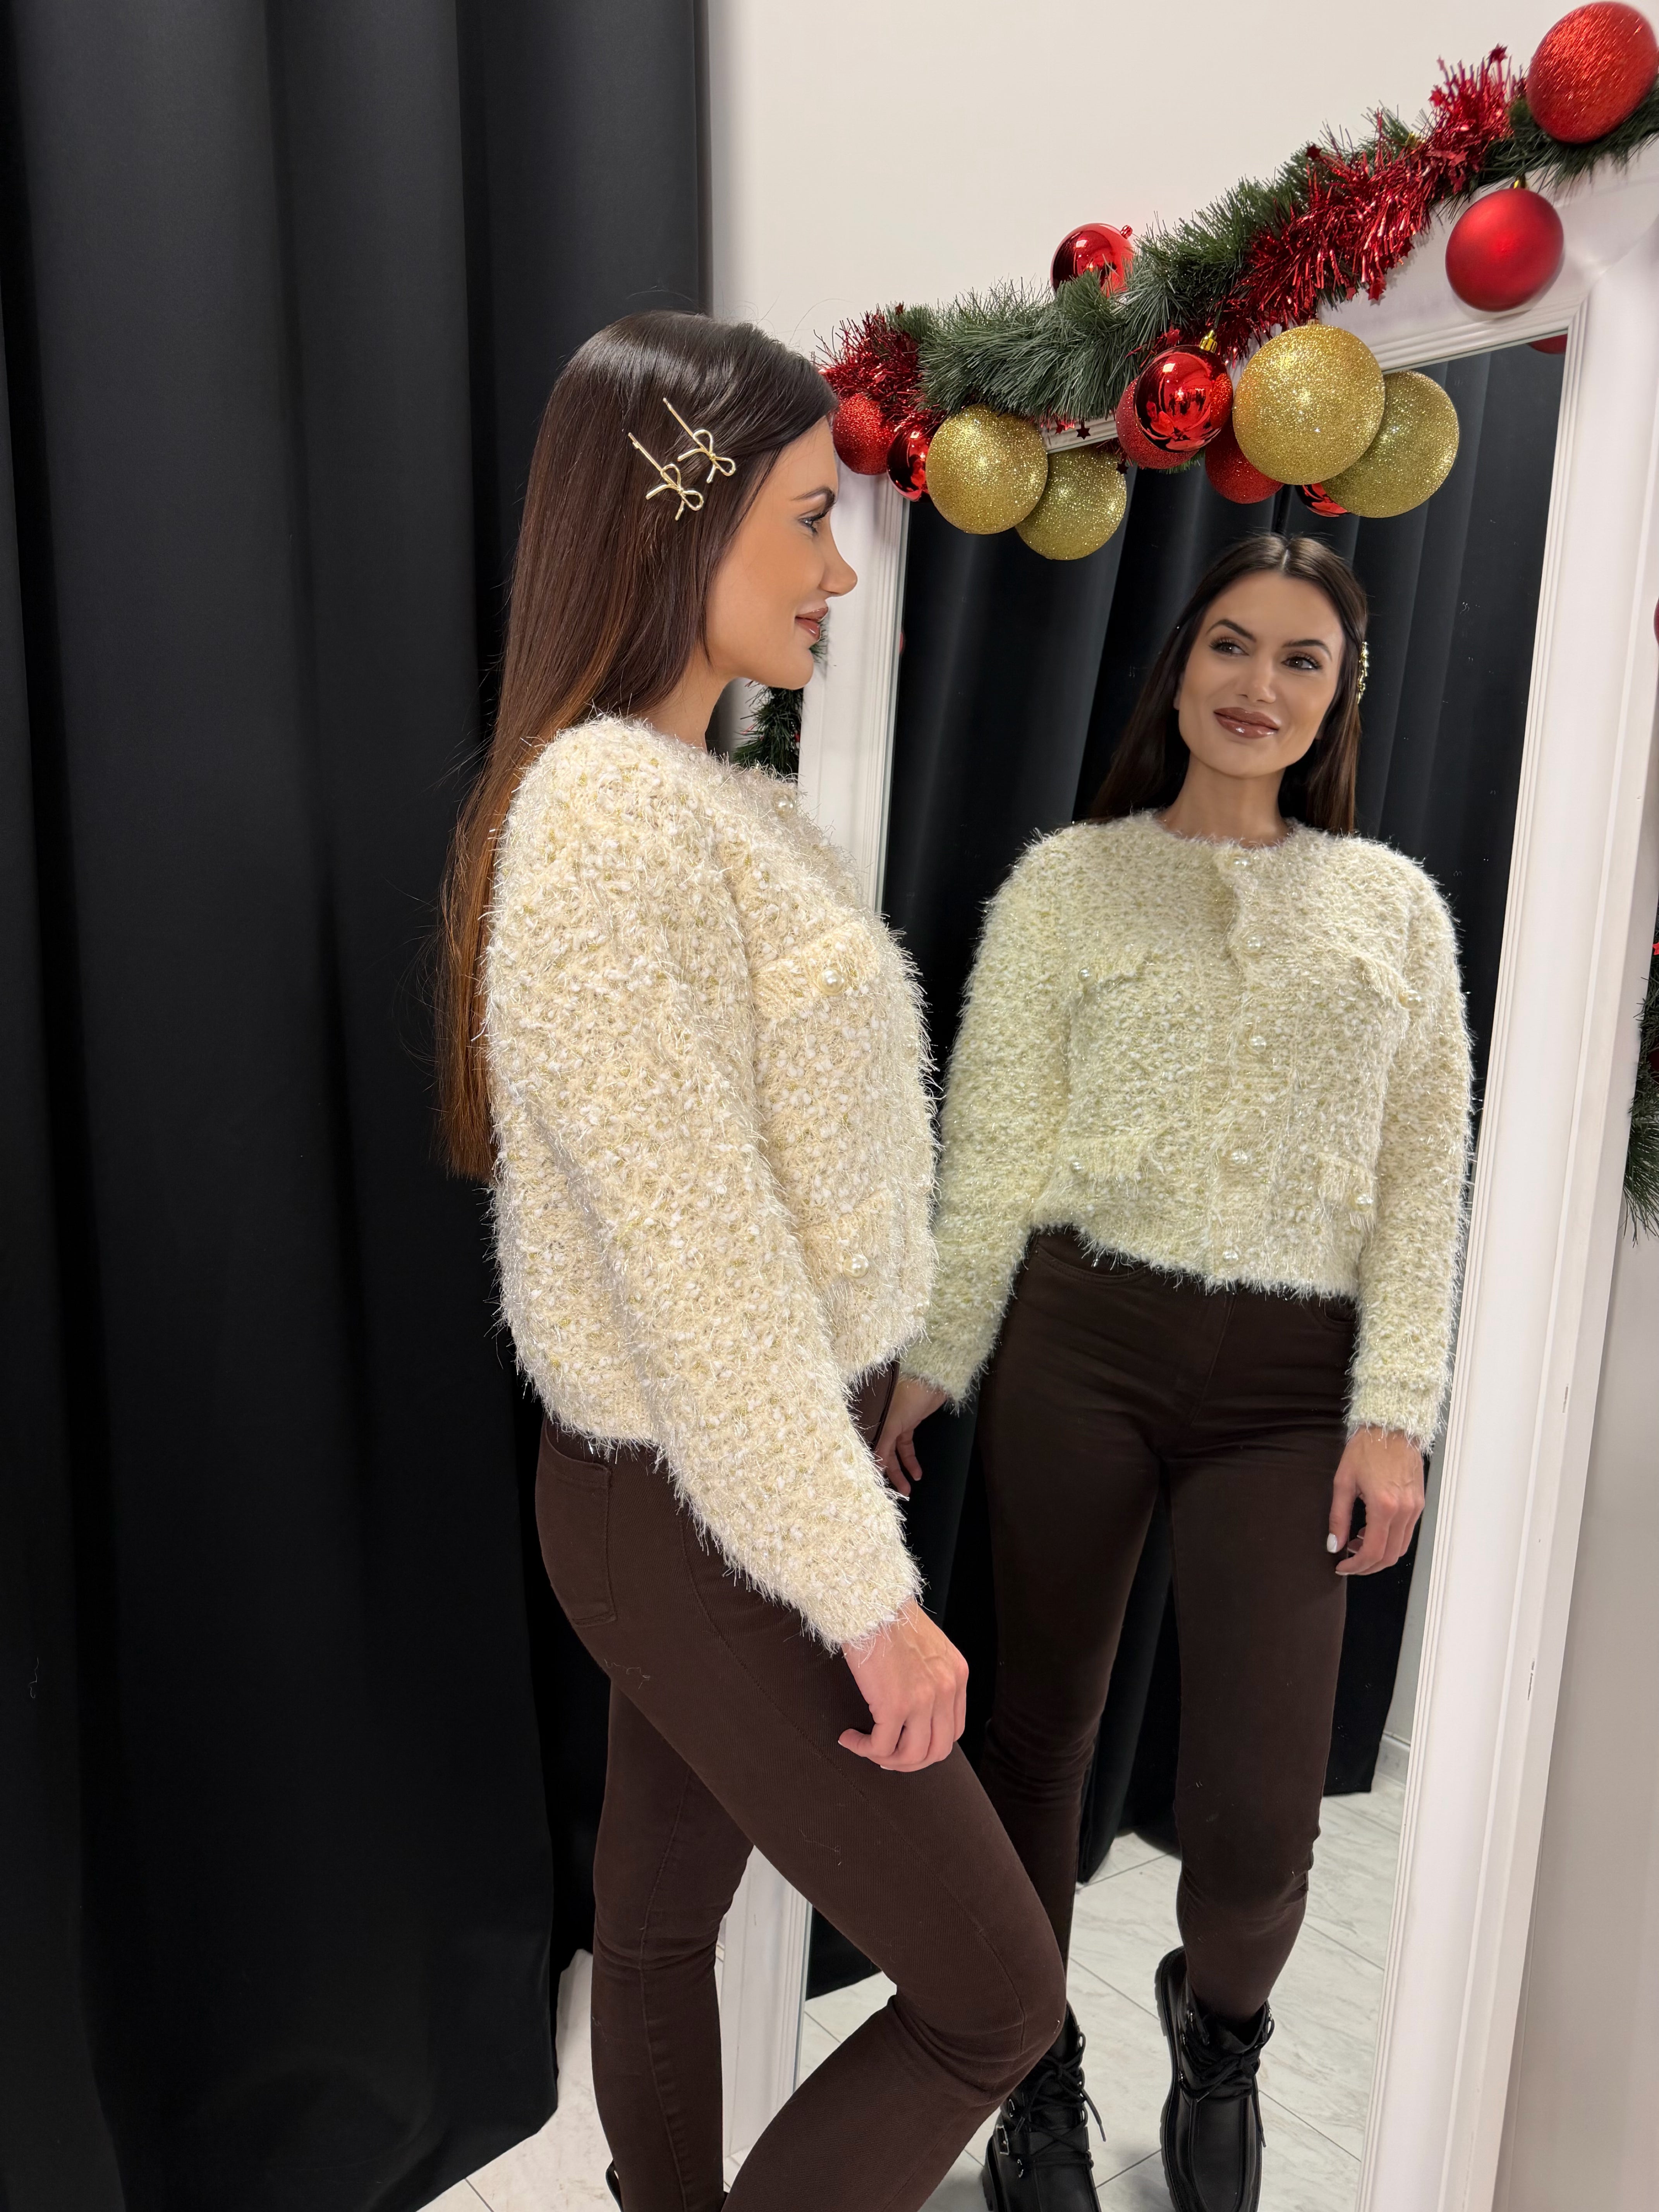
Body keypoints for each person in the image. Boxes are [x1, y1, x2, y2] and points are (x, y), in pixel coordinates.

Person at [436, 311, 1065, 2212]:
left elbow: (789, 1205)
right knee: (994, 1999)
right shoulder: (604, 827)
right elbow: (697, 1270)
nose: (838, 573)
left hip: (735, 1471)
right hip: (697, 1504)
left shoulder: (712, 804)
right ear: (673, 514)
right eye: (805, 519)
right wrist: (868, 1598)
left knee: (654, 1922)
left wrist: (861, 1405)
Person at [877, 536, 1472, 2212]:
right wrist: (935, 1357)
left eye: (1300, 660)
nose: (1256, 686)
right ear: (1180, 665)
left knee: (1262, 1811)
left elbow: (1424, 1175)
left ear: (1338, 697)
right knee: (1037, 1739)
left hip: (1292, 1388)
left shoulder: (1393, 910)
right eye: (1229, 643)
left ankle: (1221, 2036)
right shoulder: (1068, 883)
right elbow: (994, 1143)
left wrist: (1395, 1412)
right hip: (1083, 1342)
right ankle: (1031, 2066)